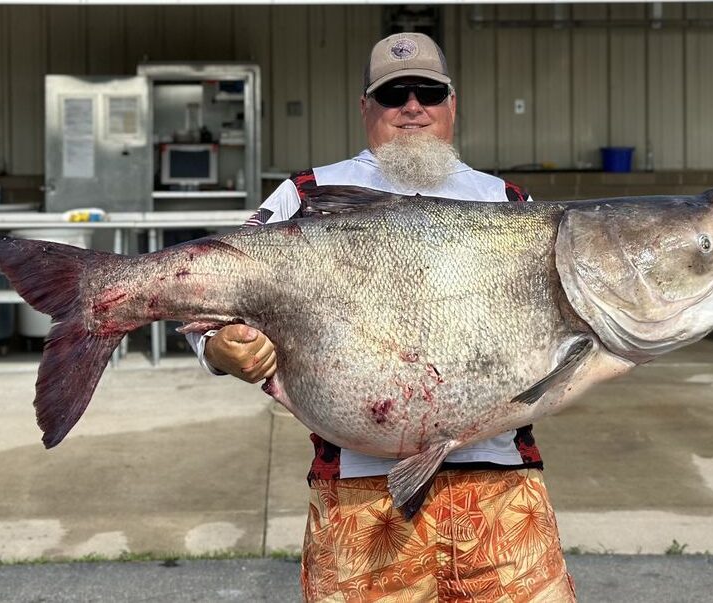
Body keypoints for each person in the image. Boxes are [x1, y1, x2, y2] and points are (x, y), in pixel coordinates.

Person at [187, 32, 577, 602]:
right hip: (359, 496)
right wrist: (221, 349)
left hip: (500, 488)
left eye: (429, 92)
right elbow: (203, 303)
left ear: (452, 105)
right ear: (366, 108)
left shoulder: (509, 203)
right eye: (394, 94)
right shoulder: (307, 195)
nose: (412, 107)